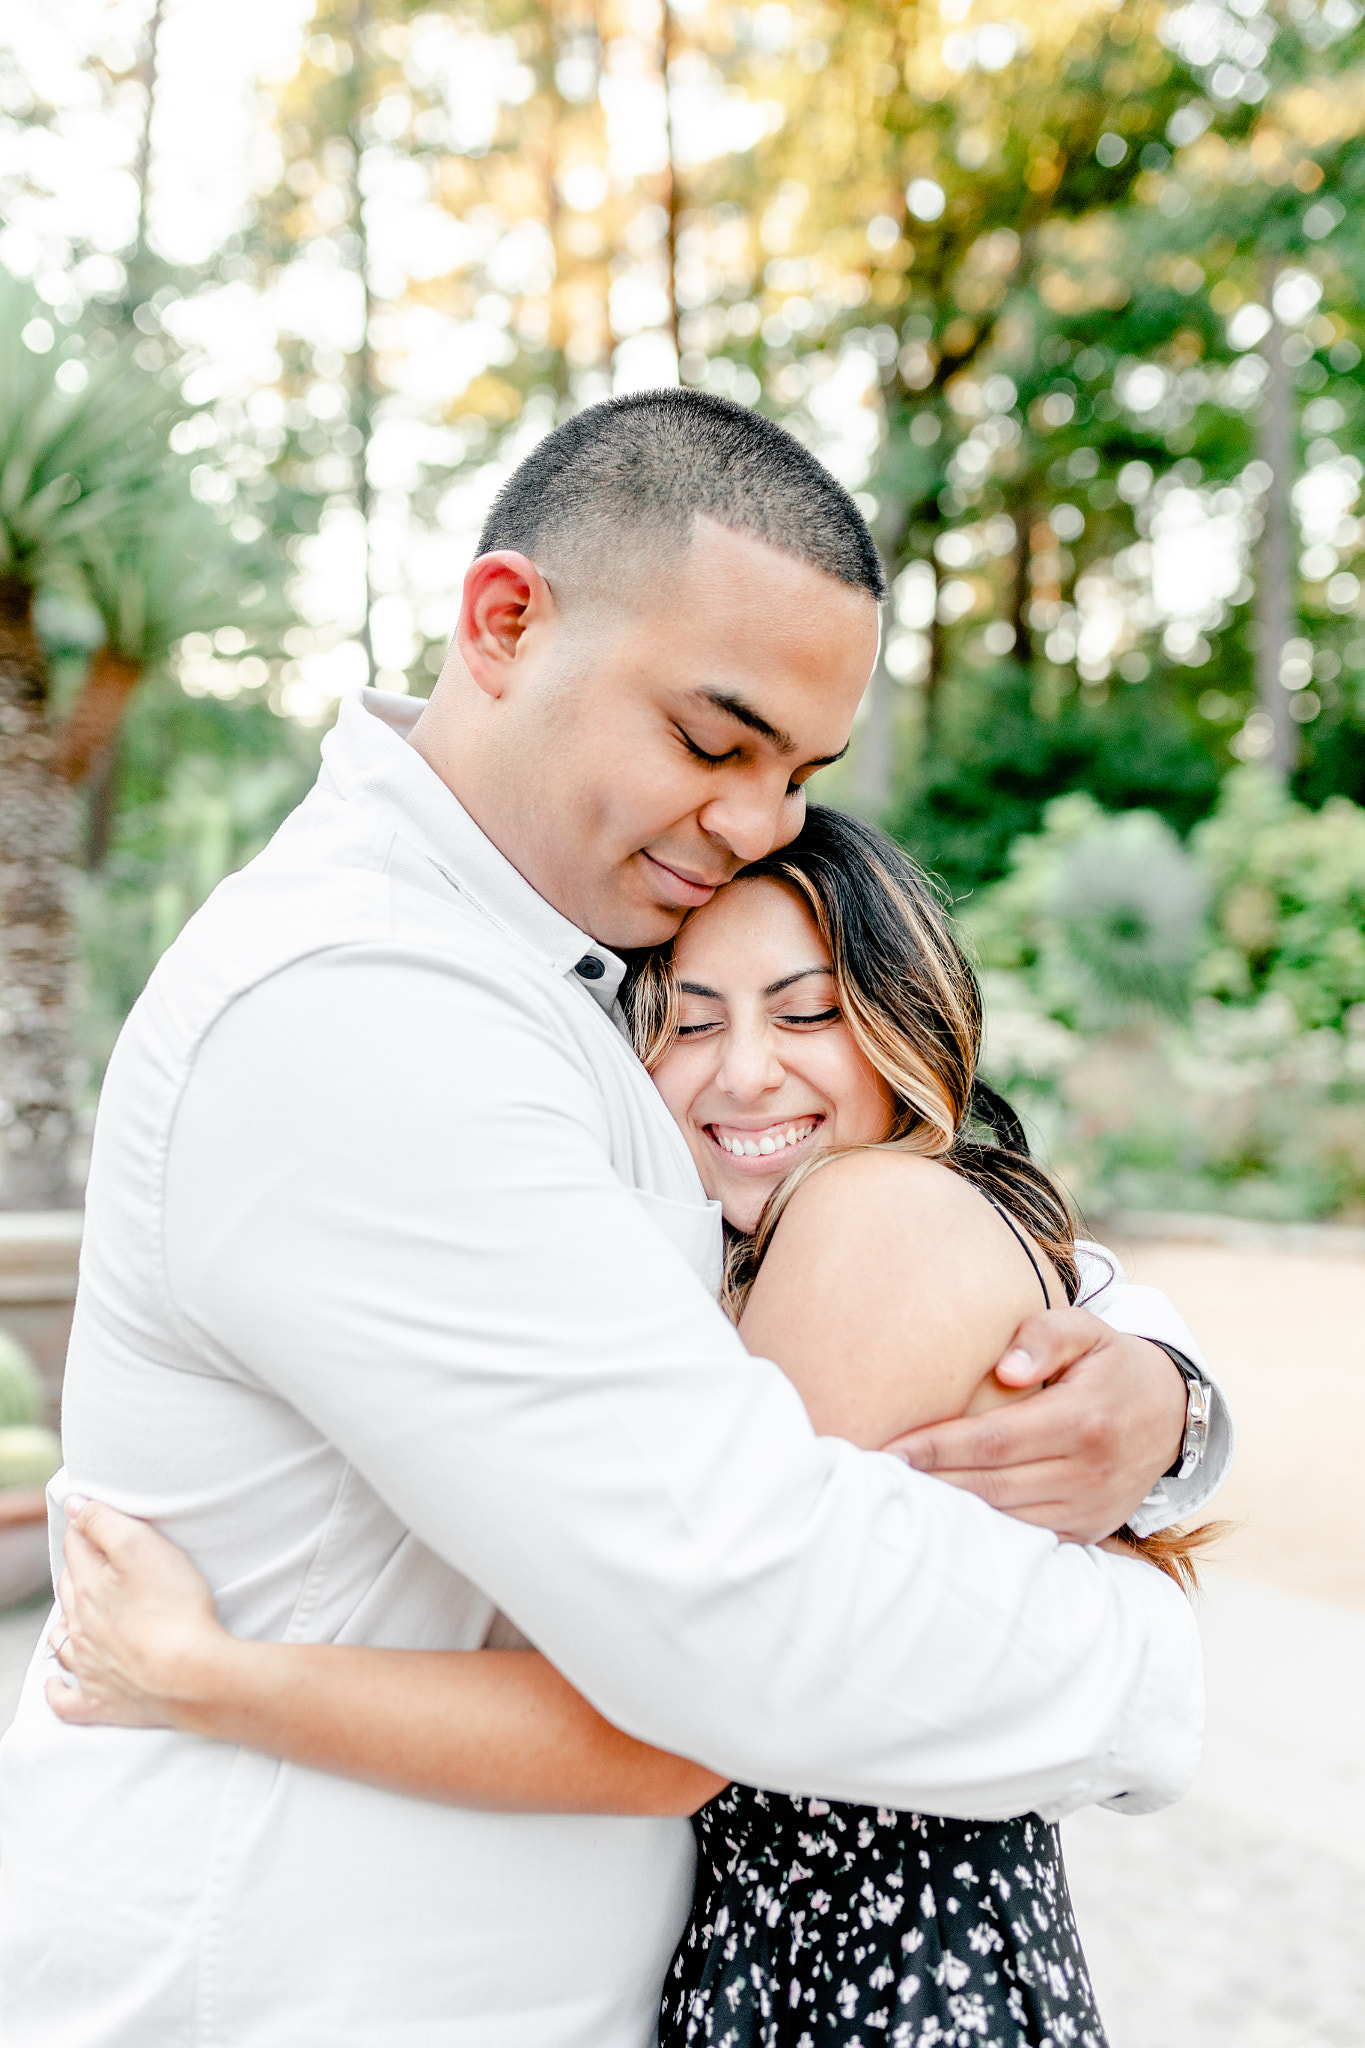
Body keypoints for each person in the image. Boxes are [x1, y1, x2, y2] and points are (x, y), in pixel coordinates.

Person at [0, 392, 1230, 2048]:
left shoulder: (547, 965)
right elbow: (726, 1621)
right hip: (295, 1989)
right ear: (504, 622)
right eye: (715, 742)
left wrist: (1165, 1407)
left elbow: (895, 1256)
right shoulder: (362, 1009)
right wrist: (1141, 1645)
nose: (756, 823)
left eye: (798, 771)